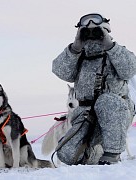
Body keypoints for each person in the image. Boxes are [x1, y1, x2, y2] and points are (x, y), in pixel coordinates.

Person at [52, 13, 136, 165]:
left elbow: (129, 70)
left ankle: (112, 153)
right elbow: (60, 71)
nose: (92, 35)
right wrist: (75, 47)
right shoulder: (78, 56)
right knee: (66, 154)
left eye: (97, 31)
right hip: (86, 114)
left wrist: (110, 46)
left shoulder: (117, 52)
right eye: (86, 31)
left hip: (115, 111)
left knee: (106, 101)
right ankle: (95, 153)